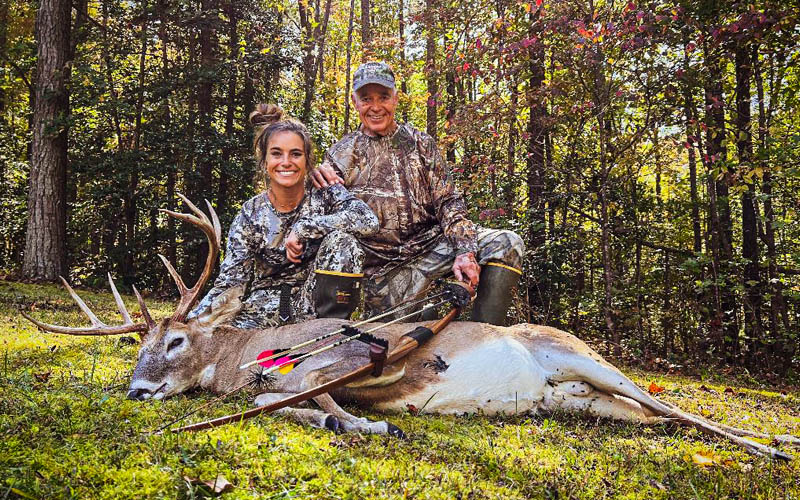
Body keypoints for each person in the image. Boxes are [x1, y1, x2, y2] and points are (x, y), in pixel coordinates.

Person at [311, 62, 524, 325]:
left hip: (433, 247)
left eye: (384, 97)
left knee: (507, 243)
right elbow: (322, 217)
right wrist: (308, 176)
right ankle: (423, 309)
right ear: (355, 102)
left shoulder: (420, 144)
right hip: (385, 269)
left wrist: (465, 251)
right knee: (401, 334)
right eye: (366, 99)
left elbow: (449, 202)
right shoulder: (340, 155)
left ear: (396, 99)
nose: (375, 107)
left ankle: (485, 336)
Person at [189, 104, 378, 329]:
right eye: (276, 154)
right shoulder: (250, 214)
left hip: (317, 308)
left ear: (307, 161)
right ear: (265, 161)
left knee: (343, 241)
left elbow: (368, 220)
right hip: (262, 313)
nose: (286, 162)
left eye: (295, 154)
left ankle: (330, 332)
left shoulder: (326, 193)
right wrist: (191, 319)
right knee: (222, 344)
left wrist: (304, 228)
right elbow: (230, 283)